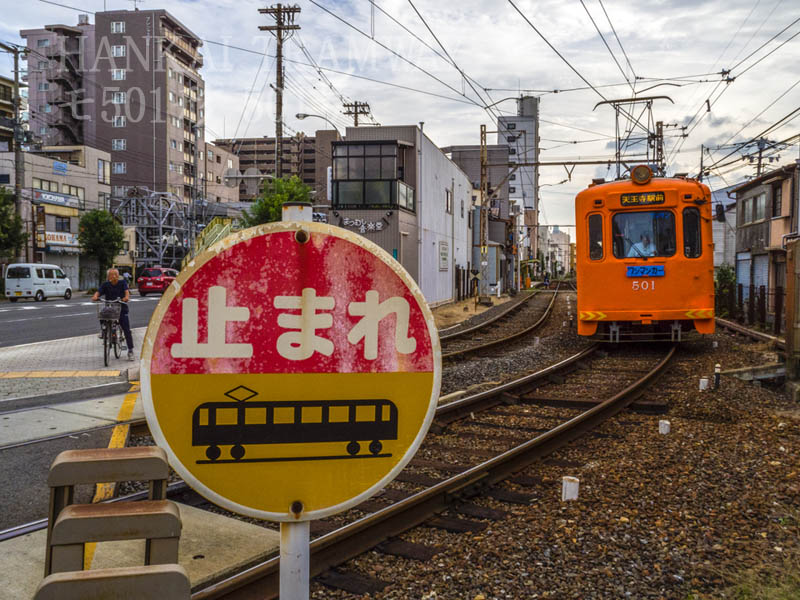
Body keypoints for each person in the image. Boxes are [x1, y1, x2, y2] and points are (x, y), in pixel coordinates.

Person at [93, 268, 134, 361]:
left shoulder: (122, 283)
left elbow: (126, 292)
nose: (114, 276)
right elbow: (98, 292)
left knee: (126, 329)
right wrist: (95, 296)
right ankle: (103, 330)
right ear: (108, 277)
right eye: (111, 275)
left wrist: (126, 297)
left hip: (121, 308)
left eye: (115, 274)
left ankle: (130, 350)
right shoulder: (105, 285)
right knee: (102, 313)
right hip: (110, 308)